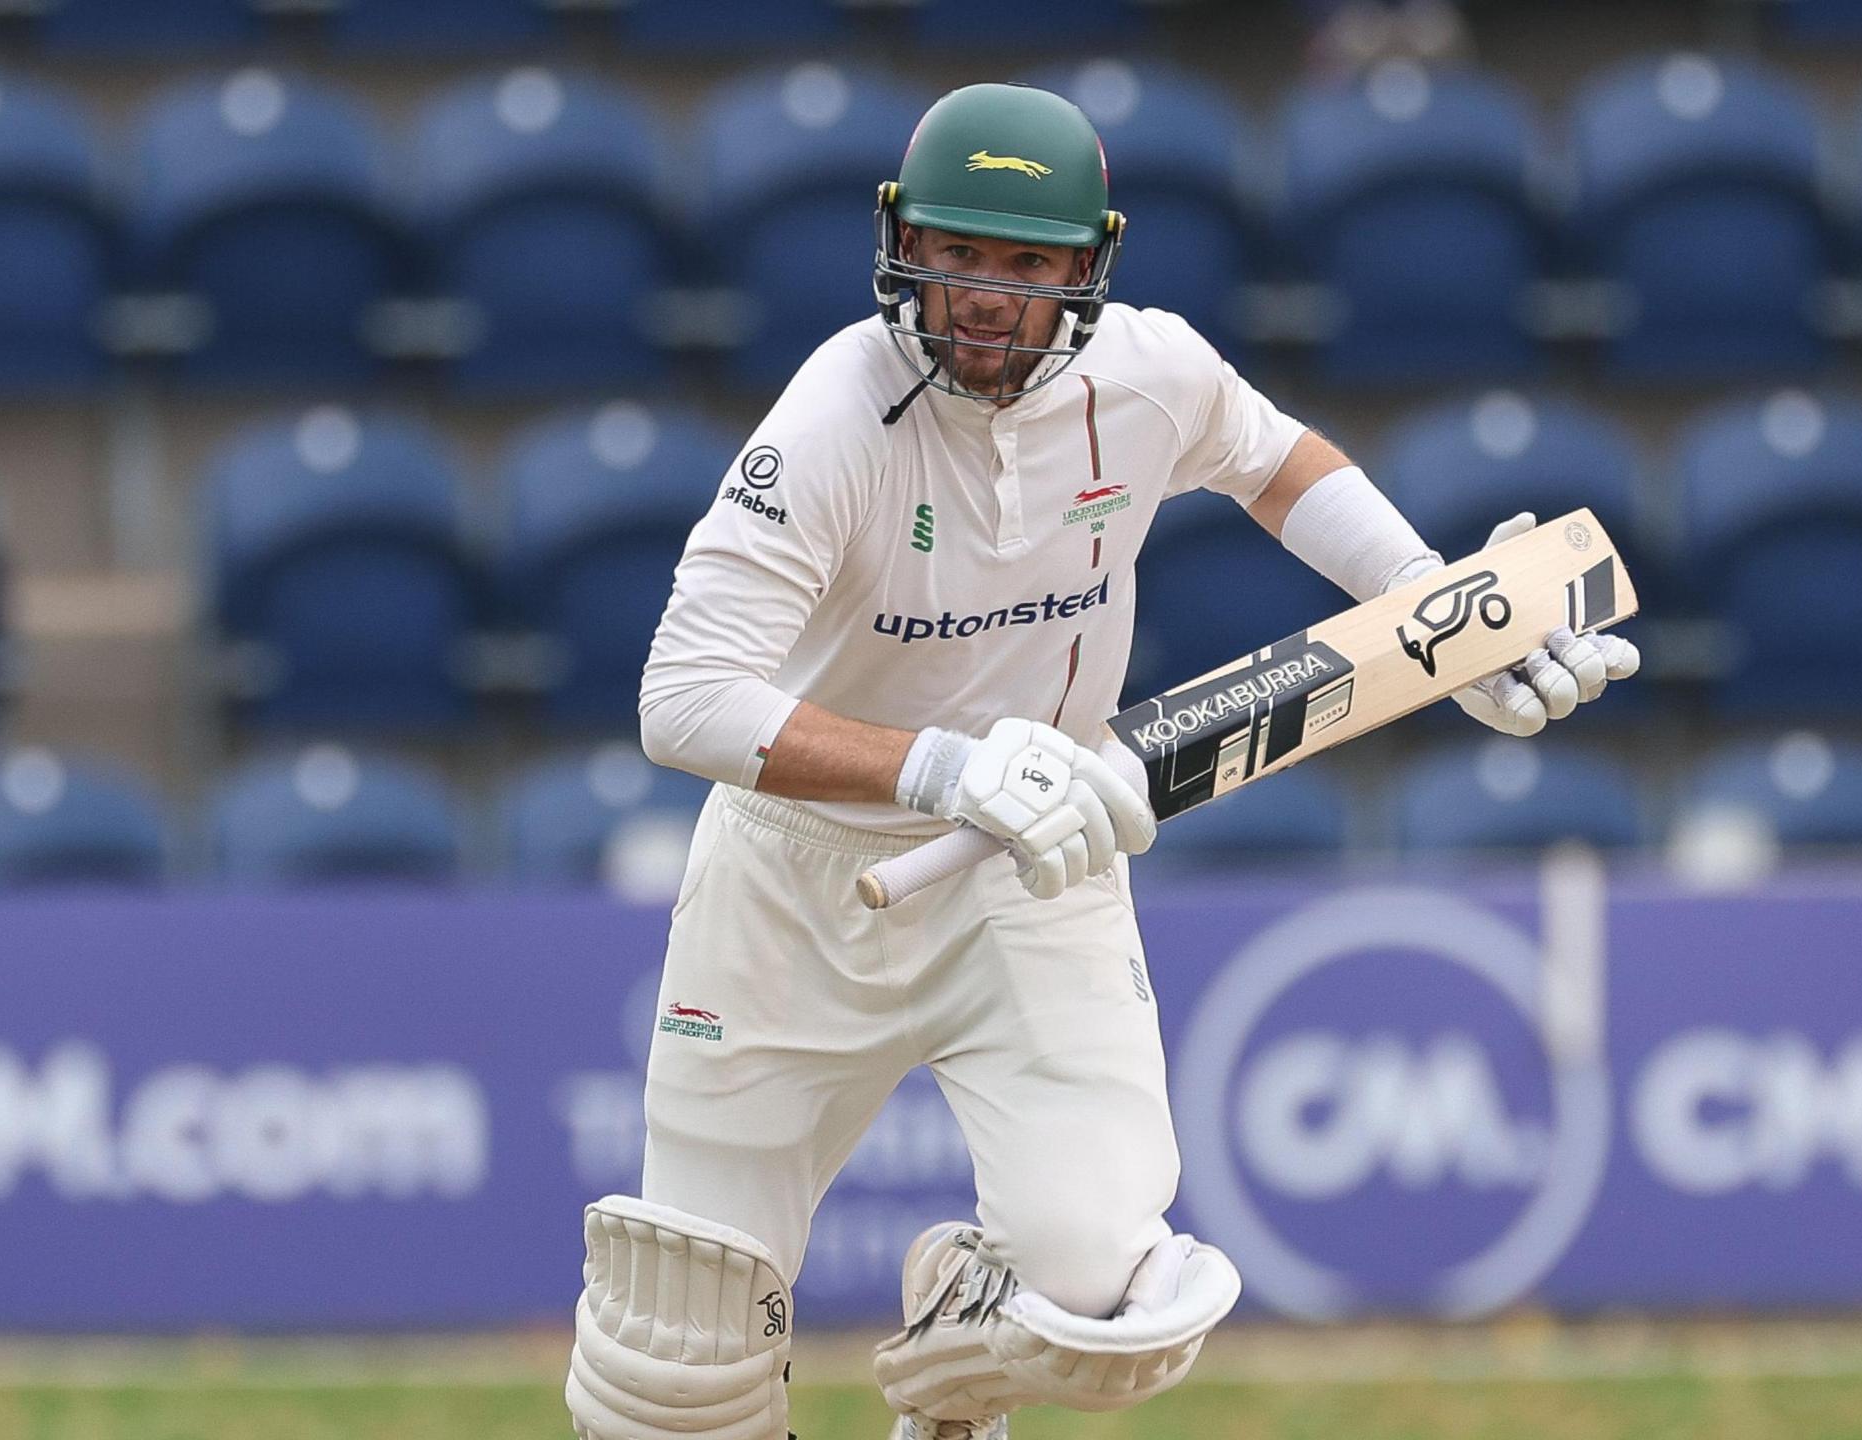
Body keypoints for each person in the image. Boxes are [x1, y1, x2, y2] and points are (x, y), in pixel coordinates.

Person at [564, 81, 1638, 1440]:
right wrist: (942, 770)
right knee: (678, 1358)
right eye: (959, 254)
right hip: (796, 884)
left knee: (1114, 1308)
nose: (988, 297)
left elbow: (1277, 463)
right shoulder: (831, 420)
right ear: (905, 243)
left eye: (1027, 265)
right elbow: (684, 700)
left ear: (1090, 266)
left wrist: (1435, 613)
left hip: (1040, 857)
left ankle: (962, 1353)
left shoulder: (1150, 371)